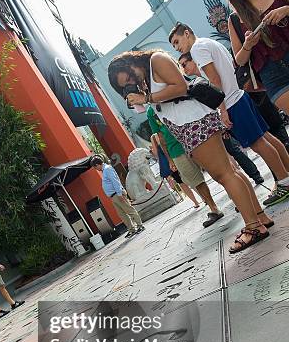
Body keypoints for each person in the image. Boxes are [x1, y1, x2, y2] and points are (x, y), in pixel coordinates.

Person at [107, 51, 273, 253]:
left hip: (195, 123)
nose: (131, 82)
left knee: (225, 175)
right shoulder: (148, 77)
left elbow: (181, 87)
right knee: (229, 171)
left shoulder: (156, 60)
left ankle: (254, 227)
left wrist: (146, 97)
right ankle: (259, 217)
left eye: (129, 77)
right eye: (125, 85)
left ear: (131, 62)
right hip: (189, 126)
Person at [170, 22, 289, 206]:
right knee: (266, 138)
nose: (177, 48)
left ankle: (284, 181)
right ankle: (286, 175)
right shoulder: (209, 43)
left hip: (232, 102)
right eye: (174, 46)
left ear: (187, 33)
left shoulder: (198, 49)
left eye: (177, 42)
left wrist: (222, 110)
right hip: (239, 96)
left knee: (259, 144)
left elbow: (214, 80)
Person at [219, 0, 289, 129]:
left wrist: (286, 9)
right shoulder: (235, 18)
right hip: (273, 76)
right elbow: (239, 60)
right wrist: (248, 45)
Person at [178, 52, 265, 185]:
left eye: (185, 64)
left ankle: (257, 176)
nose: (184, 68)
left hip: (228, 112)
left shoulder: (205, 75)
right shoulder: (193, 82)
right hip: (218, 120)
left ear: (194, 60)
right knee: (232, 155)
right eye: (181, 66)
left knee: (251, 145)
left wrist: (222, 116)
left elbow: (218, 95)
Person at [147, 105, 226, 225]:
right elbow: (160, 137)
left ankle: (234, 195)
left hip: (194, 138)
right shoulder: (150, 111)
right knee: (195, 180)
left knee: (218, 170)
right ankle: (213, 208)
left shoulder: (167, 94)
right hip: (175, 150)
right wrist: (169, 159)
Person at [90, 155, 145, 238]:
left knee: (129, 210)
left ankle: (140, 226)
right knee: (122, 214)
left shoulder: (107, 169)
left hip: (117, 194)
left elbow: (115, 181)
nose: (96, 169)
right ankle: (131, 229)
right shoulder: (105, 170)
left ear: (97, 165)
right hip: (113, 196)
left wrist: (119, 194)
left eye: (95, 167)